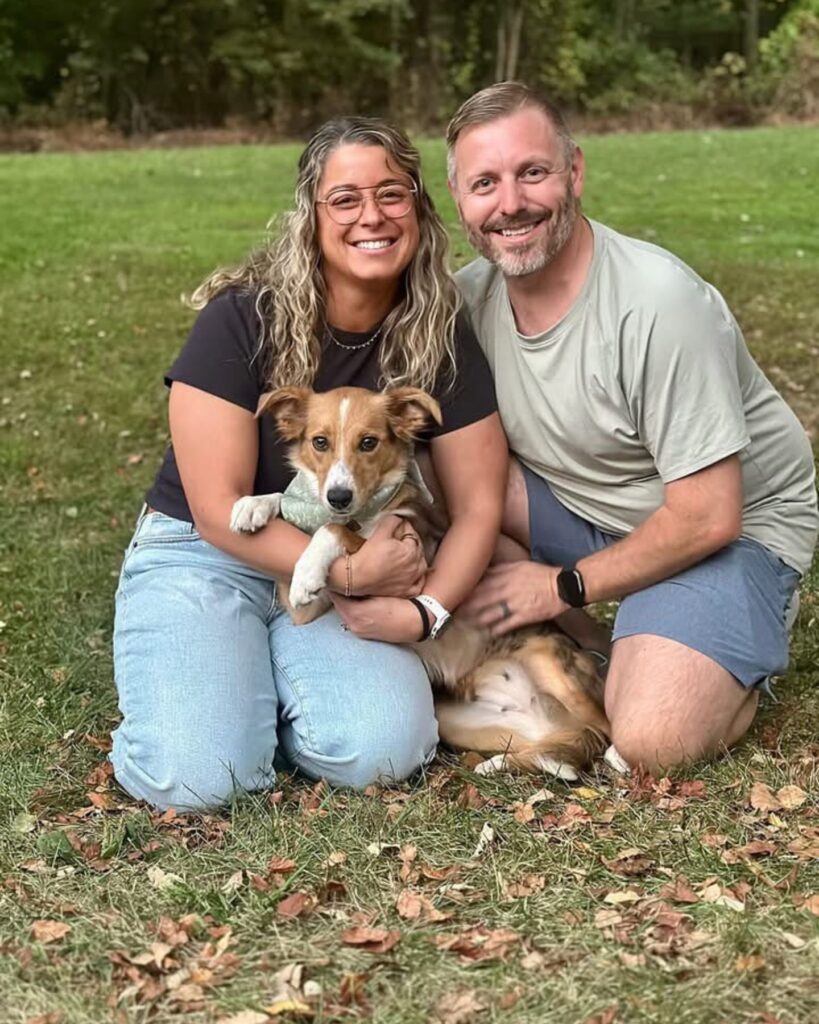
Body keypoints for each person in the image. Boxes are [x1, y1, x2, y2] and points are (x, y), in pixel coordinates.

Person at [112, 117, 507, 810]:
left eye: (391, 194)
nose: (371, 216)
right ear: (311, 215)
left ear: (418, 207)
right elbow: (216, 510)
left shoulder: (438, 334)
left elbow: (478, 506)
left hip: (346, 563)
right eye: (345, 199)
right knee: (197, 775)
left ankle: (254, 684)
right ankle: (219, 683)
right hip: (211, 552)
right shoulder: (242, 318)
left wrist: (425, 612)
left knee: (385, 750)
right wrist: (349, 571)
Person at [447, 82, 818, 773]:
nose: (510, 203)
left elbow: (709, 516)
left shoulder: (656, 303)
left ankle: (727, 645)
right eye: (484, 183)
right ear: (459, 200)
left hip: (727, 531)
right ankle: (601, 645)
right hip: (589, 507)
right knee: (435, 471)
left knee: (649, 738)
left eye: (533, 172)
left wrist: (557, 587)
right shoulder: (467, 301)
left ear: (574, 171)